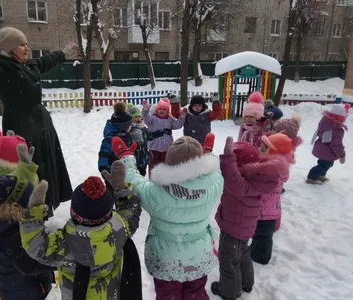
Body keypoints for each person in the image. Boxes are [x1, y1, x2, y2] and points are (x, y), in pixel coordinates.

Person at [0, 27, 76, 216]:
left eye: (26, 44)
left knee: (47, 165)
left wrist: (63, 54)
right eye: (21, 44)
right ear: (9, 48)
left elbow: (45, 61)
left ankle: (47, 203)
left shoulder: (28, 65)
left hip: (43, 124)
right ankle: (29, 212)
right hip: (21, 127)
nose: (26, 48)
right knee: (27, 169)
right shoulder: (0, 68)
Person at [110, 133, 224, 300]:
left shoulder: (155, 193)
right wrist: (207, 154)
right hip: (198, 257)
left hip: (166, 259)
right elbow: (218, 172)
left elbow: (134, 180)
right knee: (196, 292)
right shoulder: (213, 186)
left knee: (167, 295)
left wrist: (126, 157)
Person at [19, 162, 142, 300]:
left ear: (74, 213)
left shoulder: (63, 245)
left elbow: (34, 244)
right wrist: (121, 189)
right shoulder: (120, 229)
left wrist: (34, 212)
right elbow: (132, 208)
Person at [211, 137, 288, 300]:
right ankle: (246, 282)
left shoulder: (242, 184)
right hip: (245, 227)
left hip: (233, 228)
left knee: (228, 260)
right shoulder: (258, 178)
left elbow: (232, 179)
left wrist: (227, 158)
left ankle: (229, 291)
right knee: (243, 253)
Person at [0, 145, 54, 300]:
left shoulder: (1, 224)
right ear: (17, 207)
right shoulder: (15, 234)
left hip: (14, 288)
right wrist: (57, 261)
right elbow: (29, 265)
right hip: (27, 293)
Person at [250, 133, 294, 265]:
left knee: (262, 236)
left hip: (264, 212)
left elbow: (259, 187)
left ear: (273, 153)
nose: (259, 150)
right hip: (270, 210)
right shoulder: (278, 167)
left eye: (263, 149)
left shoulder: (271, 172)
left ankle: (261, 257)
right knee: (263, 235)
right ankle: (258, 251)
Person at [307, 103, 350, 184]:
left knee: (325, 164)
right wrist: (342, 155)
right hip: (327, 151)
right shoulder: (336, 130)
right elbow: (336, 145)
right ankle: (311, 177)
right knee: (324, 165)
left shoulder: (327, 122)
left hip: (321, 148)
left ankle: (320, 175)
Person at [142, 98, 186, 174]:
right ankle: (152, 179)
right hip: (154, 147)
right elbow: (146, 119)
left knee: (166, 164)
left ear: (167, 111)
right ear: (157, 110)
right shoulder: (152, 118)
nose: (162, 111)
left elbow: (177, 125)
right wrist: (145, 110)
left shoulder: (170, 119)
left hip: (166, 148)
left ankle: (165, 179)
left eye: (164, 109)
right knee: (153, 164)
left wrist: (182, 117)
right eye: (160, 109)